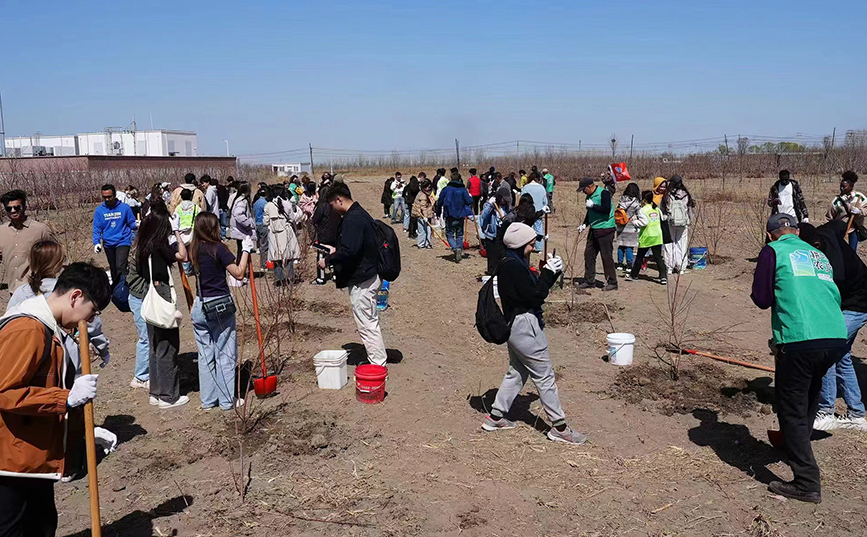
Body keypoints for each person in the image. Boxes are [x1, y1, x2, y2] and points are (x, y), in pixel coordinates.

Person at [0, 262, 116, 536]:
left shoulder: (51, 331)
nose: (87, 323)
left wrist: (83, 433)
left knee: (43, 525)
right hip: (10, 464)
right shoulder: (28, 329)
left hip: (33, 459)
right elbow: (4, 392)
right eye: (92, 313)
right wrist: (66, 398)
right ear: (76, 296)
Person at [750, 213, 847, 503]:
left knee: (790, 406)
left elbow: (762, 298)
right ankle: (795, 445)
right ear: (795, 230)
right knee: (809, 395)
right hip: (834, 335)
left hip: (800, 337)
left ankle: (806, 482)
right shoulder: (816, 252)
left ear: (770, 235)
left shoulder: (773, 251)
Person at [481, 223, 586, 444]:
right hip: (525, 326)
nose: (534, 245)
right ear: (521, 244)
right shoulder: (514, 267)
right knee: (545, 376)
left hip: (514, 325)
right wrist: (549, 273)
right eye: (531, 242)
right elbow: (535, 296)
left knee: (518, 372)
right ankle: (560, 428)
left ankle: (495, 417)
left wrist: (548, 274)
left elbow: (530, 291)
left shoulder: (508, 261)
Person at [797, 221, 867, 432]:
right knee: (842, 356)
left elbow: (828, 293)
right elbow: (838, 224)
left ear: (815, 243)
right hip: (853, 302)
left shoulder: (829, 257)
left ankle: (826, 411)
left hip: (857, 305)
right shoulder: (825, 233)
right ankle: (856, 414)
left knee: (826, 350)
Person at [8, 240, 111, 369]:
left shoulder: (20, 292)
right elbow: (93, 327)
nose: (90, 318)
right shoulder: (64, 291)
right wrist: (103, 349)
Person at [189, 212, 253, 410]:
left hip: (199, 305)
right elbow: (239, 273)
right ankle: (226, 401)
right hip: (219, 305)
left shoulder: (194, 249)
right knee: (225, 353)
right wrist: (246, 251)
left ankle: (208, 400)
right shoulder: (218, 249)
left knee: (205, 355)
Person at [319, 183, 387, 366]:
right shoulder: (358, 214)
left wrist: (329, 260)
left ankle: (378, 365)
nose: (332, 210)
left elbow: (350, 251)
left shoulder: (353, 219)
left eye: (333, 205)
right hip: (367, 275)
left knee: (367, 325)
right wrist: (336, 249)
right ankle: (377, 360)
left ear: (339, 199)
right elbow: (354, 247)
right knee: (368, 322)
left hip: (363, 279)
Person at [136, 200, 189, 409]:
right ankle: (169, 396)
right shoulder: (159, 245)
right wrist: (177, 234)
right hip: (162, 292)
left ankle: (156, 392)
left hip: (149, 294)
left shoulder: (142, 245)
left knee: (154, 345)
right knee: (168, 345)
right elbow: (182, 256)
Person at [0, 190, 55, 295]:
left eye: (17, 207)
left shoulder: (41, 230)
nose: (13, 211)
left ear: (24, 208)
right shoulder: (1, 232)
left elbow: (58, 255)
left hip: (37, 292)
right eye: (9, 208)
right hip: (14, 292)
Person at [92, 184, 137, 290]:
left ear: (115, 195)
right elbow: (97, 229)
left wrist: (137, 224)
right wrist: (96, 242)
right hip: (108, 243)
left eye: (109, 196)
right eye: (105, 197)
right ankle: (116, 289)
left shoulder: (124, 208)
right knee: (113, 267)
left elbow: (131, 224)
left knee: (120, 266)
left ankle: (124, 288)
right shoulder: (99, 211)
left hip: (123, 241)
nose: (107, 199)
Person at [577, 177, 617, 291]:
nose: (583, 192)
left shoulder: (604, 193)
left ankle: (612, 282)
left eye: (584, 189)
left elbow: (606, 209)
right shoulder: (589, 196)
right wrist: (584, 224)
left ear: (590, 186)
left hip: (605, 229)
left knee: (606, 256)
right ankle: (589, 280)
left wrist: (593, 206)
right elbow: (590, 213)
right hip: (594, 228)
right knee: (589, 254)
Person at [625, 191, 667, 284]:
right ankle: (663, 276)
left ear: (643, 199)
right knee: (658, 257)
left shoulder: (643, 210)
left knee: (640, 257)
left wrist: (634, 222)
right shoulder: (656, 209)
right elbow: (662, 218)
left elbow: (644, 223)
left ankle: (634, 275)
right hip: (657, 236)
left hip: (647, 236)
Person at [265, 185, 303, 286]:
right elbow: (292, 218)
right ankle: (290, 278)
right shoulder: (287, 204)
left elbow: (265, 221)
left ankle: (279, 279)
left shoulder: (268, 205)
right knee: (288, 256)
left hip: (274, 234)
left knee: (276, 257)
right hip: (286, 232)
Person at [435, 169, 474, 263]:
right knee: (459, 233)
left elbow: (439, 202)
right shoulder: (463, 190)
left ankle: (455, 248)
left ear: (451, 179)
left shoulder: (446, 189)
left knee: (449, 234)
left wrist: (438, 211)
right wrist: (470, 198)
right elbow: (469, 201)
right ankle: (459, 248)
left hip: (449, 214)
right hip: (460, 215)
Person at [660, 175, 696, 274]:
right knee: (682, 244)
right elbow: (690, 209)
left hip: (670, 221)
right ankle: (681, 267)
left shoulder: (667, 194)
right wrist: (690, 220)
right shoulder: (686, 194)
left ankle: (669, 267)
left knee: (669, 244)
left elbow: (662, 209)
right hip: (683, 222)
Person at [825, 171, 865, 251]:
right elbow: (829, 217)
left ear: (851, 186)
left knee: (852, 251)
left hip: (855, 228)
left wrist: (859, 211)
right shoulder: (836, 201)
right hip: (840, 229)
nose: (842, 189)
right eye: (841, 186)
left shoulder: (859, 197)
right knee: (840, 250)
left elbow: (866, 209)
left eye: (844, 187)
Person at [312, 184, 341, 285]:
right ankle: (335, 275)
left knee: (321, 255)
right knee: (334, 254)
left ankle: (321, 277)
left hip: (323, 235)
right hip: (335, 235)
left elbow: (314, 220)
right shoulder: (335, 206)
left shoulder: (321, 207)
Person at [480, 186, 511, 275]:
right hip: (492, 234)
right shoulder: (490, 206)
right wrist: (490, 206)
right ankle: (492, 274)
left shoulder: (506, 207)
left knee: (502, 255)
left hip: (503, 232)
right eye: (503, 199)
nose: (505, 201)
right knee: (492, 256)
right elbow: (483, 216)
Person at [174, 188, 200, 276]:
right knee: (193, 250)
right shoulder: (196, 207)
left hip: (181, 233)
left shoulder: (178, 208)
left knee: (183, 251)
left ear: (181, 197)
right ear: (191, 196)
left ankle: (186, 270)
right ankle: (194, 267)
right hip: (193, 232)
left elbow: (175, 219)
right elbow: (200, 218)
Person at [616, 183, 641, 271]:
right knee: (629, 246)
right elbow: (639, 213)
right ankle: (629, 265)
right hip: (631, 225)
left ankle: (619, 263)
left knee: (621, 245)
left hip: (620, 224)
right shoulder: (636, 202)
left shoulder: (621, 199)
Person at [520, 174, 549, 252]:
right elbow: (545, 201)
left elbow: (522, 199)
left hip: (527, 213)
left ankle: (526, 245)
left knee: (527, 230)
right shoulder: (541, 188)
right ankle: (539, 248)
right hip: (539, 212)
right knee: (538, 229)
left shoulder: (526, 187)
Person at [228, 182, 255, 264]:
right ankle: (240, 272)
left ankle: (241, 272)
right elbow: (238, 215)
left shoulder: (239, 199)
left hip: (240, 230)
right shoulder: (242, 201)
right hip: (241, 231)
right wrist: (248, 223)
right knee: (243, 252)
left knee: (242, 251)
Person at [412, 179, 435, 249]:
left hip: (427, 215)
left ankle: (427, 243)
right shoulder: (422, 195)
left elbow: (430, 204)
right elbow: (423, 207)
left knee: (428, 230)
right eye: (427, 187)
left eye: (429, 187)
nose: (428, 188)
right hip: (421, 215)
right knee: (422, 230)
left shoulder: (428, 194)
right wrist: (425, 217)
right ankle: (421, 244)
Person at [253, 184, 269, 270]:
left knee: (260, 245)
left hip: (257, 224)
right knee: (265, 246)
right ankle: (264, 264)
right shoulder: (265, 203)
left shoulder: (255, 203)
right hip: (263, 225)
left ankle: (263, 264)